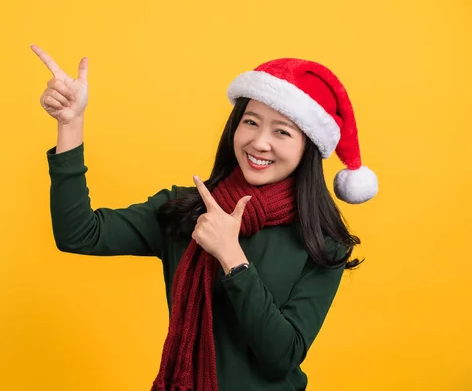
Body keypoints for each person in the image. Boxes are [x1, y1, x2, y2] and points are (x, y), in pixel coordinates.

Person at [30, 44, 378, 391]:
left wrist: (232, 257)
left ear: (308, 147)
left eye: (282, 131)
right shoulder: (187, 210)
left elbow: (280, 357)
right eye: (251, 122)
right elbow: (79, 233)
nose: (259, 142)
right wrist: (70, 124)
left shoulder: (322, 242)